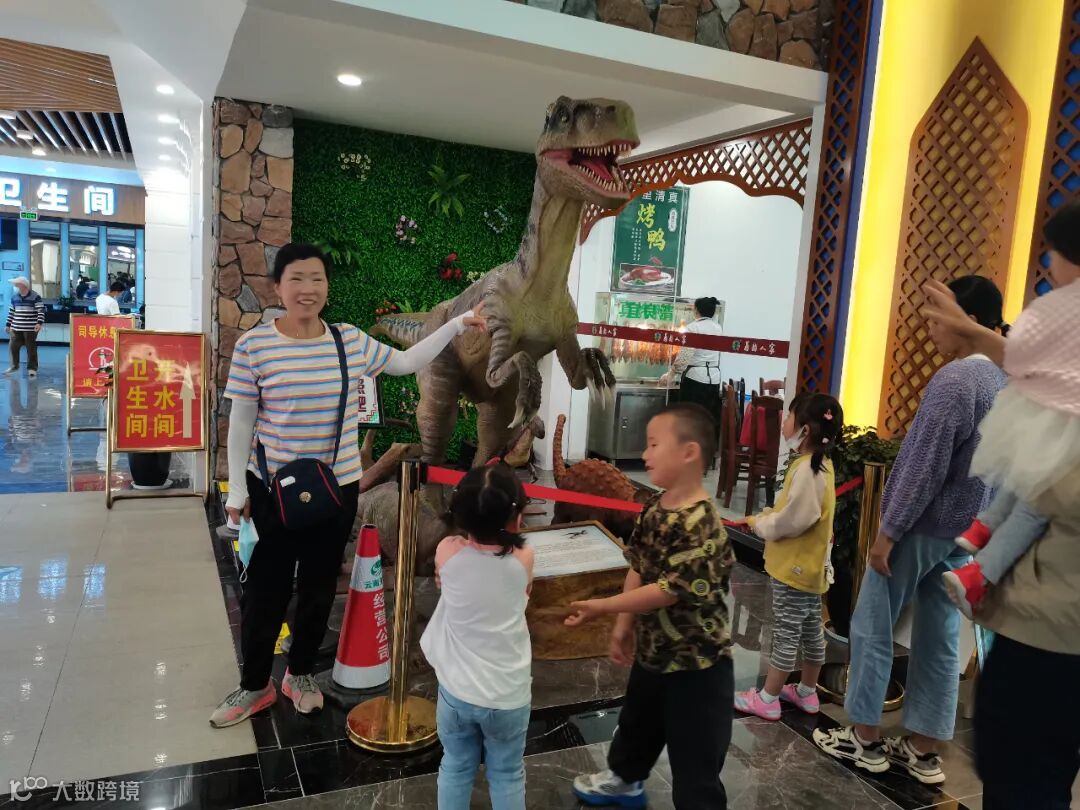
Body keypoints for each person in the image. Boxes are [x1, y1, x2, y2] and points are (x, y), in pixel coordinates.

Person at [210, 243, 487, 728]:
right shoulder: (255, 346)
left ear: (327, 286)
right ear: (277, 287)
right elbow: (242, 423)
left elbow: (406, 361)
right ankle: (255, 685)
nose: (307, 289)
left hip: (336, 489)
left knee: (319, 587)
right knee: (266, 591)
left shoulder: (348, 341)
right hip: (272, 490)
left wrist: (457, 325)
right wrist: (237, 491)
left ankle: (299, 675)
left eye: (316, 278)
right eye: (296, 279)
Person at [813, 274, 1008, 785]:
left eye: (936, 315)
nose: (930, 327)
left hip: (921, 527)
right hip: (964, 531)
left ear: (965, 319)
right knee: (940, 635)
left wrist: (888, 533)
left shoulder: (957, 381)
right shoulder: (1003, 379)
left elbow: (923, 466)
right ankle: (923, 749)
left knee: (872, 624)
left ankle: (864, 738)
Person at [923, 199, 1080, 810]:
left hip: (1052, 630)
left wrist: (979, 338)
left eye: (1056, 262)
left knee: (1023, 779)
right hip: (1044, 625)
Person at [565, 402, 734, 809]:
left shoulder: (702, 525)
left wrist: (604, 606)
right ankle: (625, 780)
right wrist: (624, 624)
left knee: (696, 758)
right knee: (636, 724)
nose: (644, 454)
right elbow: (638, 565)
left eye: (654, 444)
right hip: (655, 652)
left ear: (689, 452)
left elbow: (666, 590)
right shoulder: (655, 508)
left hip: (698, 668)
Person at [420, 464, 534, 810]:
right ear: (516, 517)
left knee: (455, 766)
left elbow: (447, 572)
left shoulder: (447, 551)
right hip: (508, 695)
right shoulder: (524, 558)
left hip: (457, 692)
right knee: (507, 773)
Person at [733, 392, 843, 720]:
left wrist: (761, 525)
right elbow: (792, 511)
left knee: (785, 633)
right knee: (810, 630)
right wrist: (762, 517)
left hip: (793, 571)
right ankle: (806, 692)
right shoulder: (820, 466)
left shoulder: (809, 470)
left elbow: (794, 520)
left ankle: (768, 698)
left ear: (805, 430)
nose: (784, 423)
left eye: (789, 416)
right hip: (809, 570)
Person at [661, 297, 723, 419]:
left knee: (691, 416)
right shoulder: (718, 328)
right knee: (708, 417)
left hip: (696, 379)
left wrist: (671, 374)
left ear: (696, 310)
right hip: (714, 378)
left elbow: (685, 355)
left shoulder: (693, 328)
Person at [4, 276, 45, 379]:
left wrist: (39, 323)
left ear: (23, 285)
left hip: (30, 328)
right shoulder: (15, 297)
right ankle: (14, 366)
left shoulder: (35, 296)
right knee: (13, 347)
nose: (15, 286)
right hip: (16, 328)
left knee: (31, 348)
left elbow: (41, 311)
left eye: (17, 284)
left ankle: (32, 368)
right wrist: (8, 325)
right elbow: (11, 312)